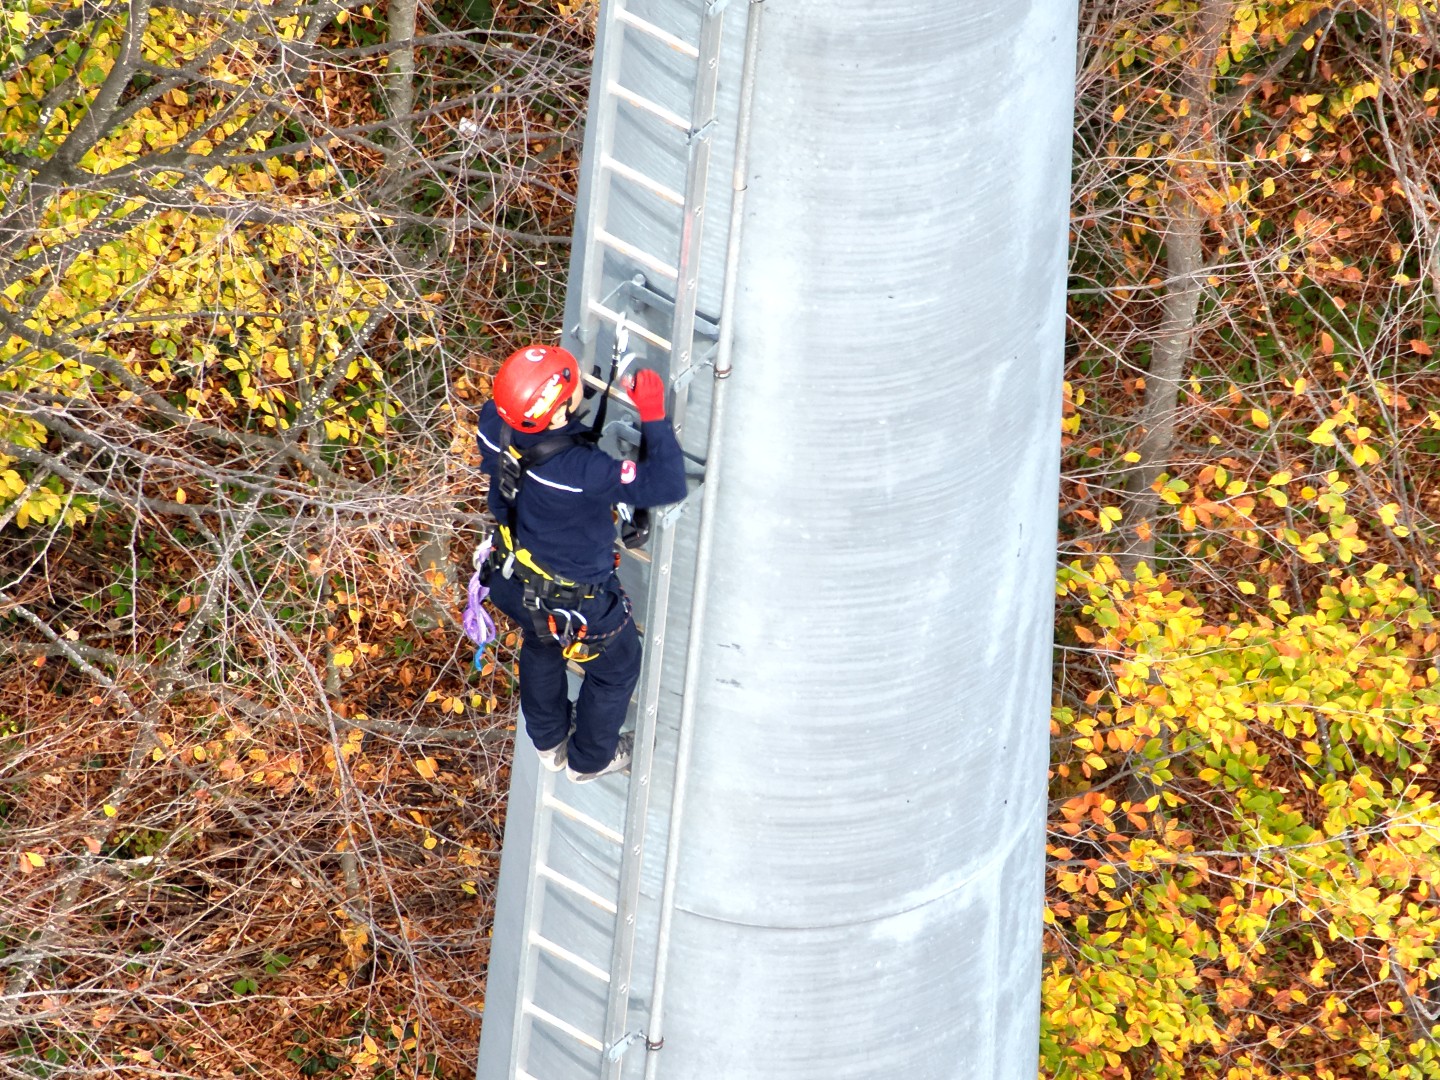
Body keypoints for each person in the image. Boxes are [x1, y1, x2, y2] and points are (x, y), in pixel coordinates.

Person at [476, 343, 686, 782]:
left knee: (541, 641)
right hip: (576, 601)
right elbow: (666, 483)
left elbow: (529, 418)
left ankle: (549, 739)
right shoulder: (579, 472)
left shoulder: (493, 423)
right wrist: (653, 417)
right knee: (617, 668)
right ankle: (589, 760)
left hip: (515, 578)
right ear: (555, 416)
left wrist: (573, 395)